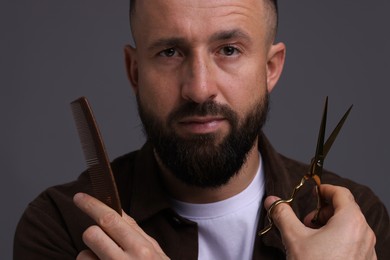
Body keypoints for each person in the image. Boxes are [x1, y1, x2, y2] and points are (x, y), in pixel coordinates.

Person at [14, 0, 389, 259]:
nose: (198, 88)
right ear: (134, 71)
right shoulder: (62, 225)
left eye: (228, 50)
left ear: (270, 68)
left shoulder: (354, 226)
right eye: (170, 53)